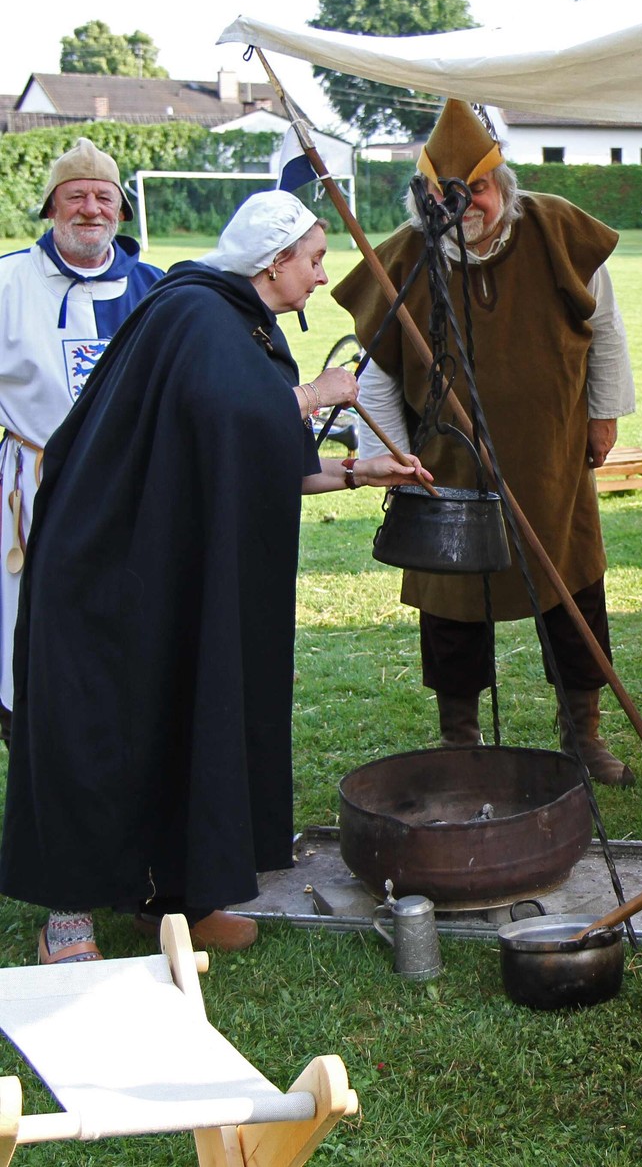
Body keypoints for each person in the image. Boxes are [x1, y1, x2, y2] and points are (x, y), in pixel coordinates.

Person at [0, 190, 430, 963]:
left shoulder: (241, 322)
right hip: (106, 565)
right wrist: (315, 394)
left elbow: (248, 453)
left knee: (183, 717)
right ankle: (67, 920)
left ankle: (174, 899)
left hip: (169, 564)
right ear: (273, 260)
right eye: (312, 260)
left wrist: (361, 473)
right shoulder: (192, 311)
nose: (319, 276)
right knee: (96, 729)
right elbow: (228, 412)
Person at [333, 99, 636, 785]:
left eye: (476, 188)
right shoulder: (403, 259)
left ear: (502, 184)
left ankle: (582, 734)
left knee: (573, 591)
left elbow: (607, 329)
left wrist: (603, 415)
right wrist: (396, 458)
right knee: (451, 605)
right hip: (447, 464)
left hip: (551, 457)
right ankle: (459, 740)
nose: (462, 204)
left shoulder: (558, 231)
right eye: (443, 192)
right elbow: (376, 371)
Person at [0, 138, 163, 745]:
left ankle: (126, 736)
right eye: (75, 197)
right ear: (51, 207)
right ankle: (31, 730)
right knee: (35, 621)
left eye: (103, 197)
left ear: (121, 210)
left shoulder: (158, 290)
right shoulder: (9, 282)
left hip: (132, 489)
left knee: (128, 615)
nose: (90, 209)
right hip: (35, 483)